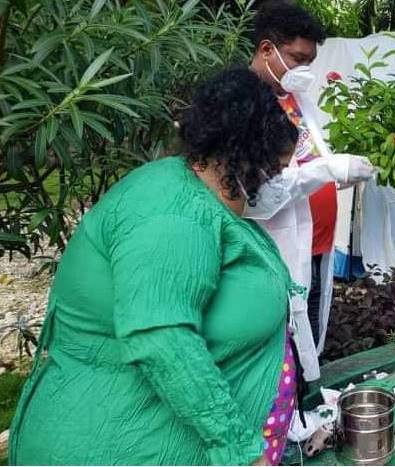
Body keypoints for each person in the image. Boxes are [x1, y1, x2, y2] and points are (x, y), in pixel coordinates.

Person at [9, 68, 303, 465]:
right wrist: (237, 447)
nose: (279, 183)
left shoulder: (201, 194)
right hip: (120, 444)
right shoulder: (172, 215)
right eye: (276, 171)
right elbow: (164, 342)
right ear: (243, 159)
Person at [248, 0, 374, 382]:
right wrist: (327, 169)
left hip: (318, 242)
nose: (303, 70)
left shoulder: (293, 99)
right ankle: (286, 419)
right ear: (267, 49)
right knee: (279, 342)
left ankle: (306, 405)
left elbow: (310, 158)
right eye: (297, 58)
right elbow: (257, 196)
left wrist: (337, 171)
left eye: (309, 62)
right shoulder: (244, 106)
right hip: (280, 245)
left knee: (310, 337)